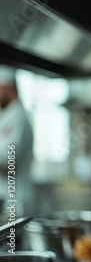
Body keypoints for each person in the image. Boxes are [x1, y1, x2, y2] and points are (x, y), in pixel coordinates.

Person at [0, 64, 35, 216]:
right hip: (6, 197)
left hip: (14, 199)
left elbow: (9, 158)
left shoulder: (18, 118)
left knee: (13, 240)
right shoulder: (7, 116)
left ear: (9, 87)